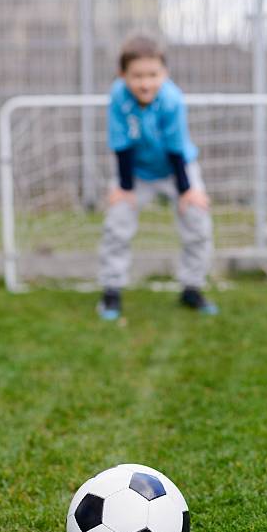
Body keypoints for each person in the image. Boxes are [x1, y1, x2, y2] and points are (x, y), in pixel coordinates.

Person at [98, 34, 218, 320]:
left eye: (153, 75)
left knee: (197, 223)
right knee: (117, 223)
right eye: (137, 75)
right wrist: (124, 188)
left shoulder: (172, 99)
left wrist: (187, 191)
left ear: (164, 73)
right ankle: (111, 291)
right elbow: (121, 143)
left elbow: (177, 147)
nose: (145, 83)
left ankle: (192, 287)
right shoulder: (117, 96)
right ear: (122, 75)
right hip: (135, 172)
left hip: (177, 171)